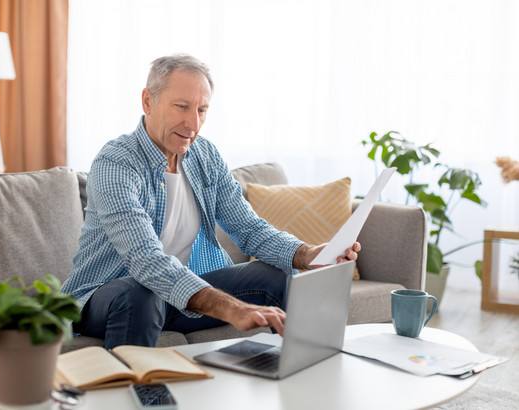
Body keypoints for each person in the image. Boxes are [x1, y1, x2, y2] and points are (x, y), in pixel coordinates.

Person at [61, 54, 360, 349]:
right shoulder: (116, 162)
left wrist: (308, 254)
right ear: (148, 101)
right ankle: (140, 394)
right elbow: (146, 261)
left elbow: (248, 228)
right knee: (141, 293)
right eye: (182, 106)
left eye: (202, 110)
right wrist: (232, 308)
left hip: (176, 298)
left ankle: (300, 371)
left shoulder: (205, 155)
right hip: (108, 298)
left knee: (275, 275)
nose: (193, 123)